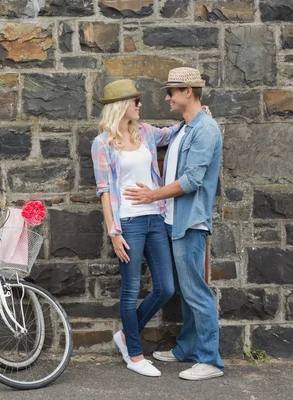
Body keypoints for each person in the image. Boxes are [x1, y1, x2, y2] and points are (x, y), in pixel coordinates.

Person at [124, 67, 225, 381]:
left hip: (189, 222)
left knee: (197, 291)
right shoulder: (186, 127)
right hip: (171, 219)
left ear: (189, 92)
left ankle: (210, 360)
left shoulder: (205, 129)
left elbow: (193, 180)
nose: (167, 97)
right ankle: (187, 349)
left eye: (171, 91)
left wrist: (152, 194)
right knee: (184, 289)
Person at [91, 79, 178, 377]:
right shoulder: (102, 144)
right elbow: (104, 191)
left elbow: (174, 133)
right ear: (121, 106)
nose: (140, 105)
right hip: (128, 222)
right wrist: (113, 232)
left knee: (166, 287)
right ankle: (136, 355)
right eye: (135, 101)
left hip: (156, 217)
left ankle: (127, 336)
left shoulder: (146, 133)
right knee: (130, 291)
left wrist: (197, 115)